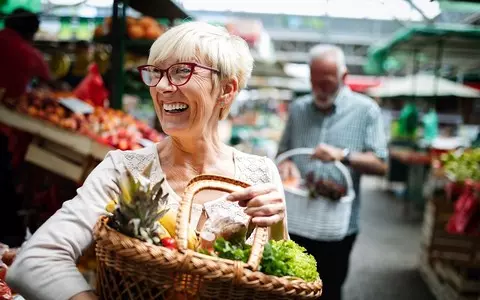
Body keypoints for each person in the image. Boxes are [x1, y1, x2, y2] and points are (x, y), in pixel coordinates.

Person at [6, 21, 288, 300]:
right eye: (156, 73)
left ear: (226, 90)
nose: (162, 87)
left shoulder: (261, 175)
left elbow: (285, 283)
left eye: (181, 72)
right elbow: (35, 260)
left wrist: (276, 226)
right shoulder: (123, 170)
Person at [277, 44, 388, 300]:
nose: (319, 90)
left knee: (329, 289)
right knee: (289, 286)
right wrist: (285, 165)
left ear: (344, 77)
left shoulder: (366, 110)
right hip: (296, 218)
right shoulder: (298, 108)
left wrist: (344, 155)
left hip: (339, 225)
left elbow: (381, 164)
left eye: (326, 83)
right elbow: (283, 151)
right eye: (314, 82)